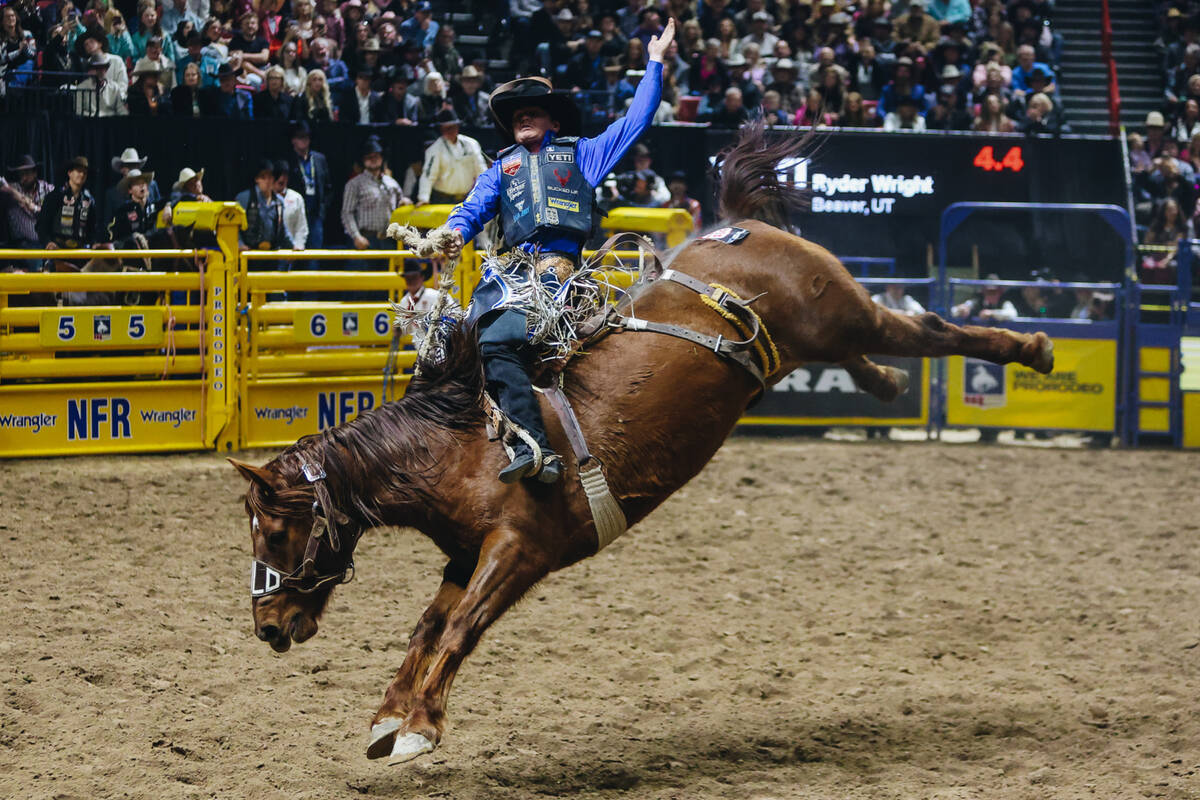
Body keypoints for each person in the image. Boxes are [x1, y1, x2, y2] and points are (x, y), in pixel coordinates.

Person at [438, 17, 676, 484]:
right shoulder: (499, 169)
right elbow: (470, 211)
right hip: (507, 277)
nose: (523, 117)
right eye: (517, 114)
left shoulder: (583, 154)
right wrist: (451, 232)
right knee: (455, 352)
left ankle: (537, 449)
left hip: (556, 276)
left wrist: (653, 63)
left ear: (555, 121)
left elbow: (636, 120)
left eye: (534, 111)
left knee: (497, 340)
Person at [341, 133, 407, 251]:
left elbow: (400, 207)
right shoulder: (355, 184)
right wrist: (356, 237)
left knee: (391, 269)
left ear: (382, 158)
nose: (373, 160)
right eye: (369, 157)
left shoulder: (392, 183)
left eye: (376, 156)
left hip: (389, 239)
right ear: (363, 160)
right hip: (366, 238)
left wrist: (405, 202)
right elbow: (347, 213)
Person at [417, 109, 488, 206]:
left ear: (457, 126)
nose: (449, 131)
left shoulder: (472, 144)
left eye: (451, 127)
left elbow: (481, 171)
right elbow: (428, 175)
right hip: (443, 200)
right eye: (445, 129)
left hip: (467, 198)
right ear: (441, 130)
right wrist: (423, 198)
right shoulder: (435, 149)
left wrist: (484, 194)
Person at [37, 156, 102, 256]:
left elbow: (92, 228)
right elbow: (41, 224)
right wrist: (48, 242)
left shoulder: (89, 200)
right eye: (79, 171)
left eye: (85, 172)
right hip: (57, 250)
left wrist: (93, 243)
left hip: (81, 252)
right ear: (69, 173)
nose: (82, 174)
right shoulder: (55, 196)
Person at [287, 122, 331, 250]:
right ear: (293, 140)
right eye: (300, 137)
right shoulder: (289, 160)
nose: (304, 140)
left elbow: (328, 187)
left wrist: (323, 207)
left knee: (315, 252)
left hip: (315, 214)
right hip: (295, 213)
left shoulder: (319, 159)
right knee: (292, 250)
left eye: (306, 137)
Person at [236, 159, 293, 251]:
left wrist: (292, 246)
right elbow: (235, 227)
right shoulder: (244, 198)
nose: (267, 181)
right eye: (263, 177)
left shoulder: (279, 202)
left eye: (270, 177)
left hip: (271, 253)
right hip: (249, 253)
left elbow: (282, 229)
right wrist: (240, 244)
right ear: (257, 179)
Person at [106, 168, 164, 242]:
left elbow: (173, 199)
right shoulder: (123, 211)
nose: (141, 186)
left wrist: (168, 206)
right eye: (137, 184)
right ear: (130, 190)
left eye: (143, 183)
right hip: (133, 251)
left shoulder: (156, 206)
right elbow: (117, 238)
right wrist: (134, 238)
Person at [398, 257, 437, 351]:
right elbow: (405, 330)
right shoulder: (404, 302)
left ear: (421, 277)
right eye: (408, 278)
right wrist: (399, 328)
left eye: (414, 277)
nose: (411, 281)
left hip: (439, 347)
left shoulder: (434, 296)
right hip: (421, 351)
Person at [274, 160, 308, 250]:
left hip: (291, 250)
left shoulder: (296, 198)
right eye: (279, 175)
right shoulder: (265, 198)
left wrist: (297, 248)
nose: (282, 179)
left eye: (285, 175)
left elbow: (301, 227)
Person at [951, 274, 1017, 321]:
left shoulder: (1004, 303)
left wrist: (992, 313)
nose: (991, 295)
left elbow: (1012, 314)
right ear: (983, 292)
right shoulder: (976, 302)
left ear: (1000, 292)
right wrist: (961, 309)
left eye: (994, 292)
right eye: (988, 292)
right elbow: (953, 311)